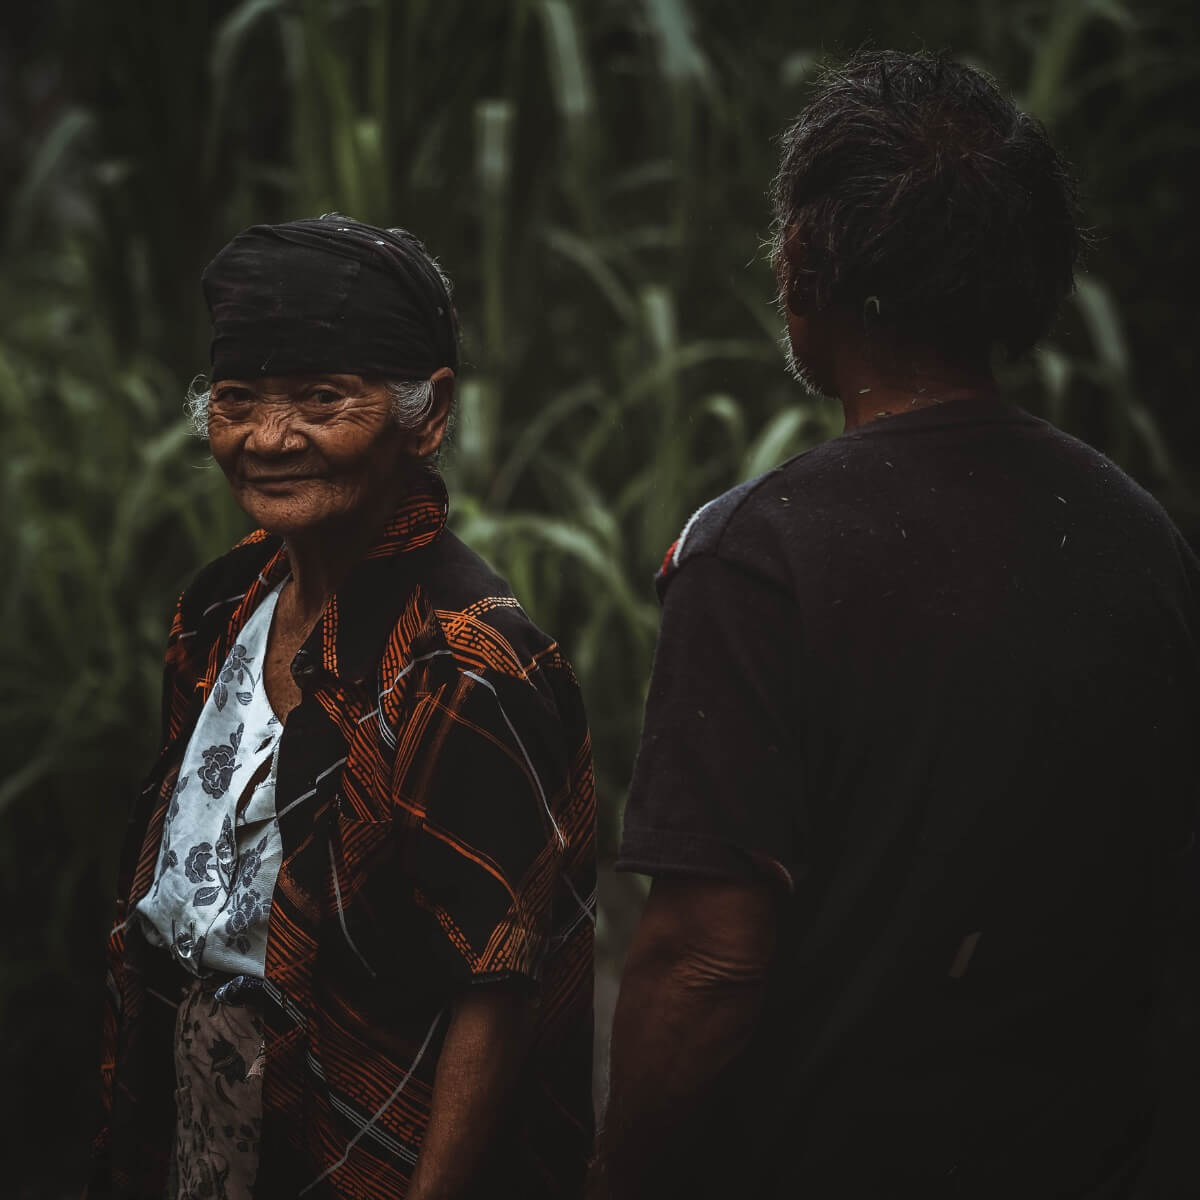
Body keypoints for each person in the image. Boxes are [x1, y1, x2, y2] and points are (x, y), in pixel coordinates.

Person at [597, 50, 1200, 1198]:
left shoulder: (756, 556)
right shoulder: (1142, 538)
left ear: (803, 266)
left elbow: (705, 961)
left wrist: (613, 1175)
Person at [88, 216, 596, 1199]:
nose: (271, 439)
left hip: (367, 1151)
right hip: (205, 1127)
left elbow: (493, 993)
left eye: (323, 399)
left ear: (428, 416)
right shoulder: (223, 603)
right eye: (238, 400)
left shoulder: (462, 661)